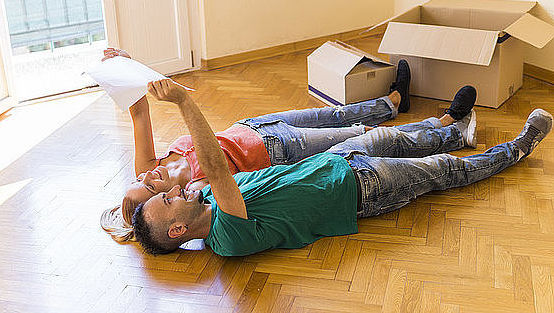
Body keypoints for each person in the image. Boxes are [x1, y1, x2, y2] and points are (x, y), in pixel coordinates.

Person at [129, 79, 550, 257]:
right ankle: (518, 148)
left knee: (411, 139)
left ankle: (457, 126)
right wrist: (185, 102)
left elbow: (209, 175)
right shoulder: (226, 238)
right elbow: (219, 171)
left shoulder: (200, 198)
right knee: (444, 170)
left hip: (338, 159)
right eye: (165, 200)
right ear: (178, 231)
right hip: (361, 190)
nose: (168, 191)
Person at [100, 47, 426, 240]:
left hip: (254, 127)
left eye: (138, 178)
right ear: (161, 201)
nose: (146, 176)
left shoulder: (148, 167)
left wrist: (123, 63)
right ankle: (424, 133)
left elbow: (139, 112)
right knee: (357, 134)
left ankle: (393, 103)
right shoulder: (199, 189)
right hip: (277, 150)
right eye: (149, 187)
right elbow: (216, 172)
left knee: (333, 113)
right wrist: (182, 102)